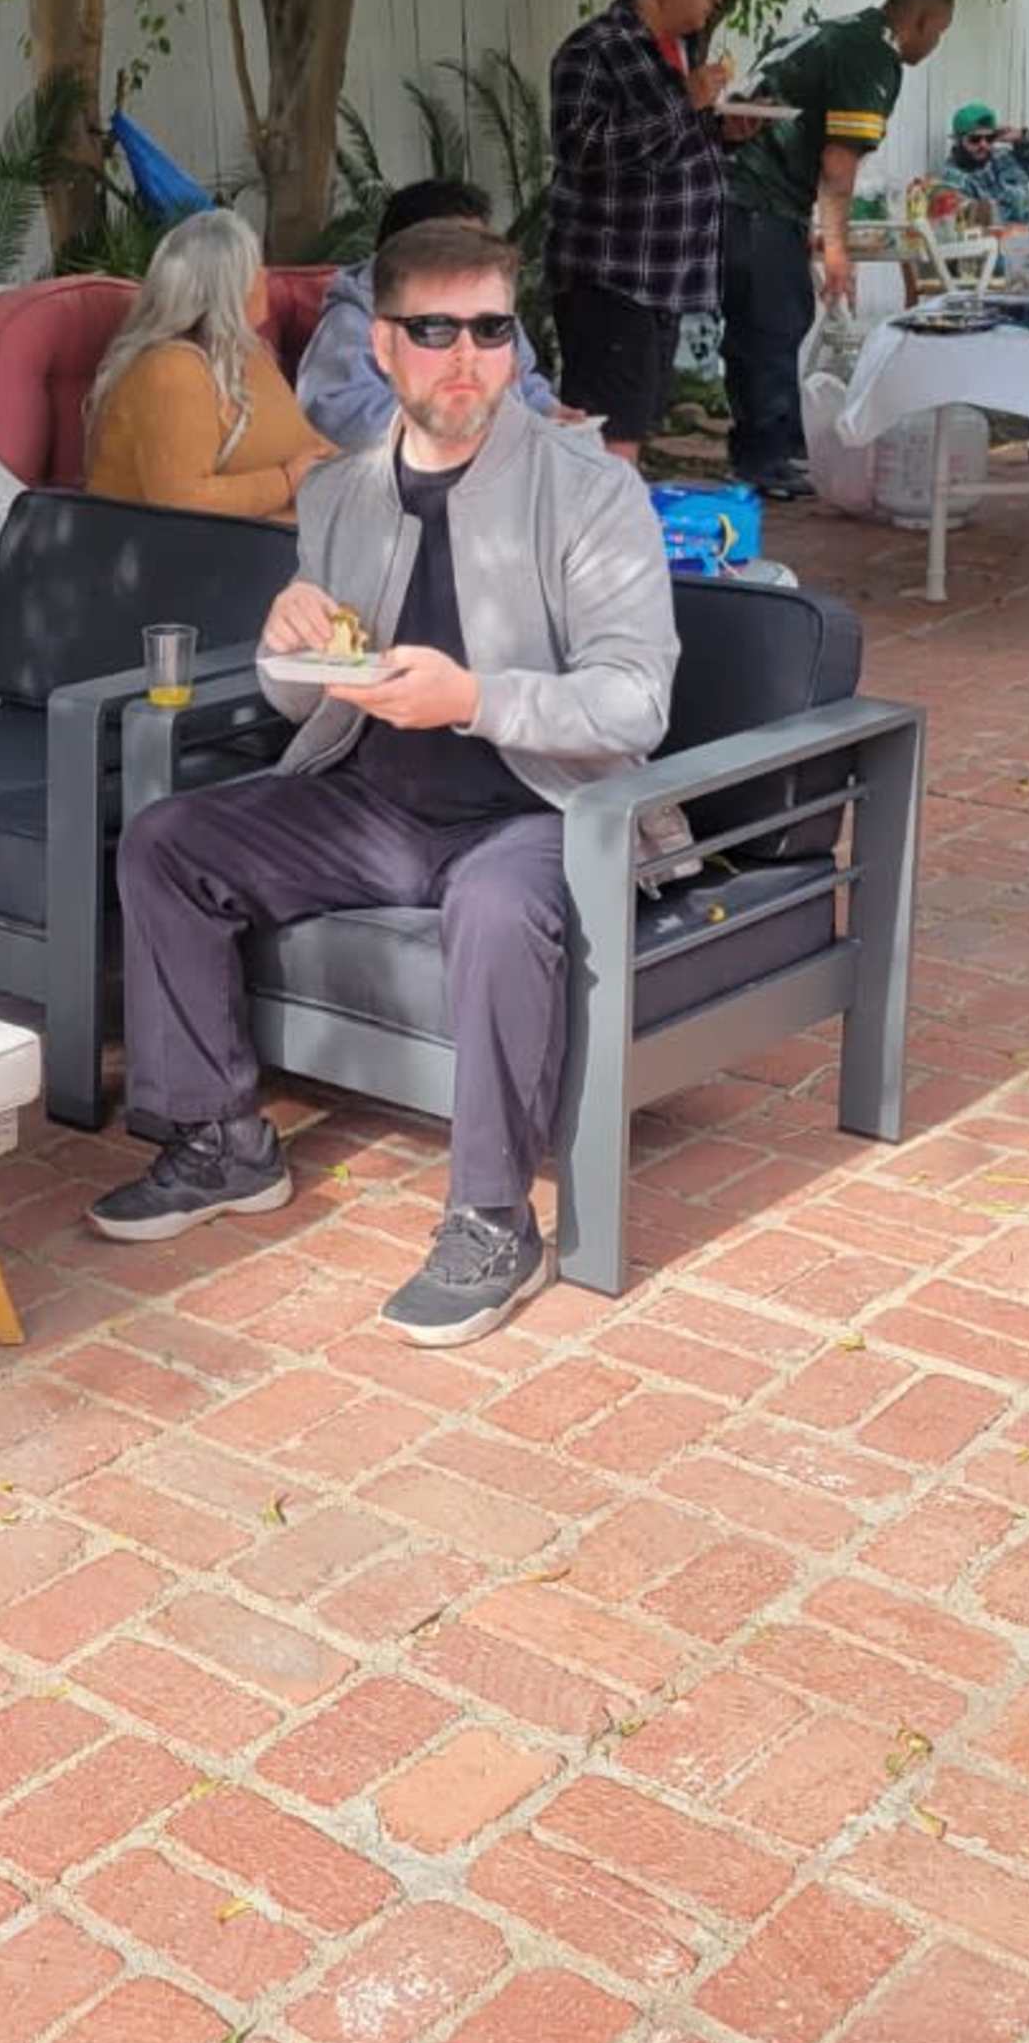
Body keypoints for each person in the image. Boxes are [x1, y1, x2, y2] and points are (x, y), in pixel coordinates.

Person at [96, 214, 681, 1347]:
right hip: (368, 802)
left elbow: (634, 702)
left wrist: (472, 698)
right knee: (168, 841)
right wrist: (285, 640)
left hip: (541, 808)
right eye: (435, 330)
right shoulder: (343, 495)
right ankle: (221, 1140)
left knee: (499, 905)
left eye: (491, 329)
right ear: (381, 346)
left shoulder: (588, 493)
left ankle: (492, 1220)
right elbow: (302, 696)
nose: (467, 358)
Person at [722, 0, 956, 496]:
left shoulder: (829, 33)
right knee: (773, 323)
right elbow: (838, 162)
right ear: (920, 22)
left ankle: (766, 447)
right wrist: (836, 250)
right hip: (758, 196)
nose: (932, 46)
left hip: (729, 191)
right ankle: (766, 459)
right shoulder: (872, 54)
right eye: (937, 33)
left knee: (762, 323)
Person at [544, 0, 735, 470]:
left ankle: (615, 539)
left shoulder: (675, 52)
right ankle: (605, 550)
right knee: (609, 438)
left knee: (631, 426)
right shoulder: (594, 49)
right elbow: (583, 151)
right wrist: (686, 104)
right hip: (611, 276)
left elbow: (664, 153)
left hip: (661, 280)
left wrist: (725, 133)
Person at [81, 207, 332, 521]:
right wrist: (286, 481)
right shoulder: (170, 371)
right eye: (255, 268)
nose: (266, 277)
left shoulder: (248, 353)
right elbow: (181, 502)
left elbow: (297, 443)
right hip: (197, 560)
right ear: (227, 291)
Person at [295, 176, 574, 440]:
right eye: (460, 250)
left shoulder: (483, 302)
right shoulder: (354, 319)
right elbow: (338, 414)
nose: (475, 261)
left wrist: (549, 412)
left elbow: (523, 380)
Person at [936, 102, 1029, 225]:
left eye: (989, 138)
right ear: (958, 141)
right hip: (989, 242)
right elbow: (964, 224)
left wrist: (1023, 138)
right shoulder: (952, 178)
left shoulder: (1005, 158)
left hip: (1028, 239)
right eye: (975, 139)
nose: (983, 145)